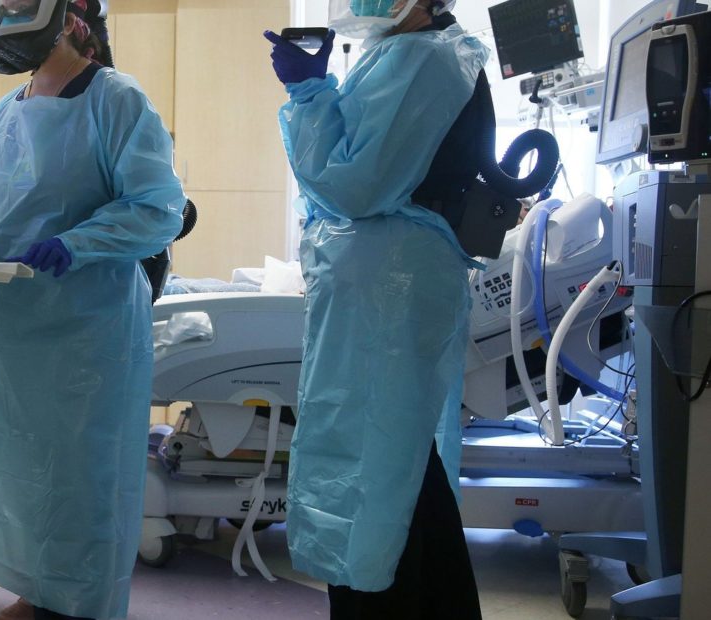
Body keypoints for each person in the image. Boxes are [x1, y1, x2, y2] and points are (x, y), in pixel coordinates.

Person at [0, 1, 184, 617]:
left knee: (80, 475)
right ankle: (37, 590)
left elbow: (157, 208)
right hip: (12, 328)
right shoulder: (5, 113)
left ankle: (78, 603)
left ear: (74, 21)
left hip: (87, 328)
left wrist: (76, 244)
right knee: (19, 468)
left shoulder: (116, 101)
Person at [263, 1, 486, 618]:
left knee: (377, 476)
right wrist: (320, 95)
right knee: (401, 469)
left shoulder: (428, 58)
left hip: (390, 292)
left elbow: (353, 185)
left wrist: (309, 94)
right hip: (380, 292)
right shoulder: (401, 53)